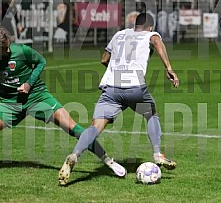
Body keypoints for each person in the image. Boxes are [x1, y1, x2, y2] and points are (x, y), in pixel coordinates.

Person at [0, 26, 126, 176]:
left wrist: (28, 83)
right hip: (11, 103)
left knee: (74, 128)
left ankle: (108, 160)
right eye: (3, 48)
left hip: (37, 97)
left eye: (7, 44)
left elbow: (41, 61)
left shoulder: (21, 51)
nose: (8, 49)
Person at [58, 13, 179, 186]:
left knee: (95, 127)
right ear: (150, 27)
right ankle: (158, 154)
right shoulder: (150, 35)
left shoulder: (119, 34)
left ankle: (75, 154)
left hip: (111, 87)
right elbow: (157, 42)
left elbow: (103, 59)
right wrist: (168, 67)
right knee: (151, 114)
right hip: (135, 87)